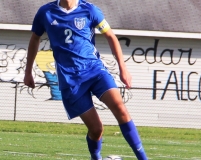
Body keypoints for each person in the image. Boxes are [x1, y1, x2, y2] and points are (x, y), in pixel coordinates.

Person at [24, 0, 148, 159]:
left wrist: (123, 69)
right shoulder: (45, 12)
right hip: (70, 80)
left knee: (120, 108)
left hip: (95, 71)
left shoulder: (90, 10)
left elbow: (110, 35)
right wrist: (28, 72)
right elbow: (35, 38)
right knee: (96, 130)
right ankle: (96, 157)